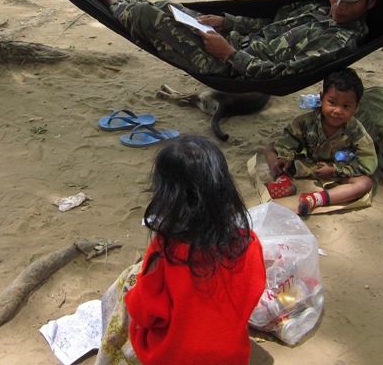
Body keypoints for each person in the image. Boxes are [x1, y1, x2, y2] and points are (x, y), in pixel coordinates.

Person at [78, 0, 383, 80]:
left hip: (231, 69)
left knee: (149, 17)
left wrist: (228, 55)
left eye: (349, 0)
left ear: (371, 2)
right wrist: (228, 22)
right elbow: (271, 24)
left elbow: (283, 74)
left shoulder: (341, 43)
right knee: (169, 7)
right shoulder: (319, 10)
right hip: (232, 41)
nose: (338, 5)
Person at [96, 135, 267, 365]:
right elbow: (251, 293)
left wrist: (135, 295)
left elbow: (145, 314)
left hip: (170, 358)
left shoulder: (165, 253)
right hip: (232, 358)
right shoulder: (248, 244)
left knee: (127, 285)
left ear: (168, 197)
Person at [263, 68, 376, 216]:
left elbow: (367, 161)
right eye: (332, 102)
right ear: (322, 98)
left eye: (346, 106)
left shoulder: (356, 131)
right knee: (271, 147)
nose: (337, 110)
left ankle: (316, 199)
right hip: (306, 164)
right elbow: (290, 139)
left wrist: (335, 170)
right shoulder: (306, 121)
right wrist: (285, 157)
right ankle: (282, 181)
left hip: (337, 173)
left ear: (356, 107)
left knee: (365, 183)